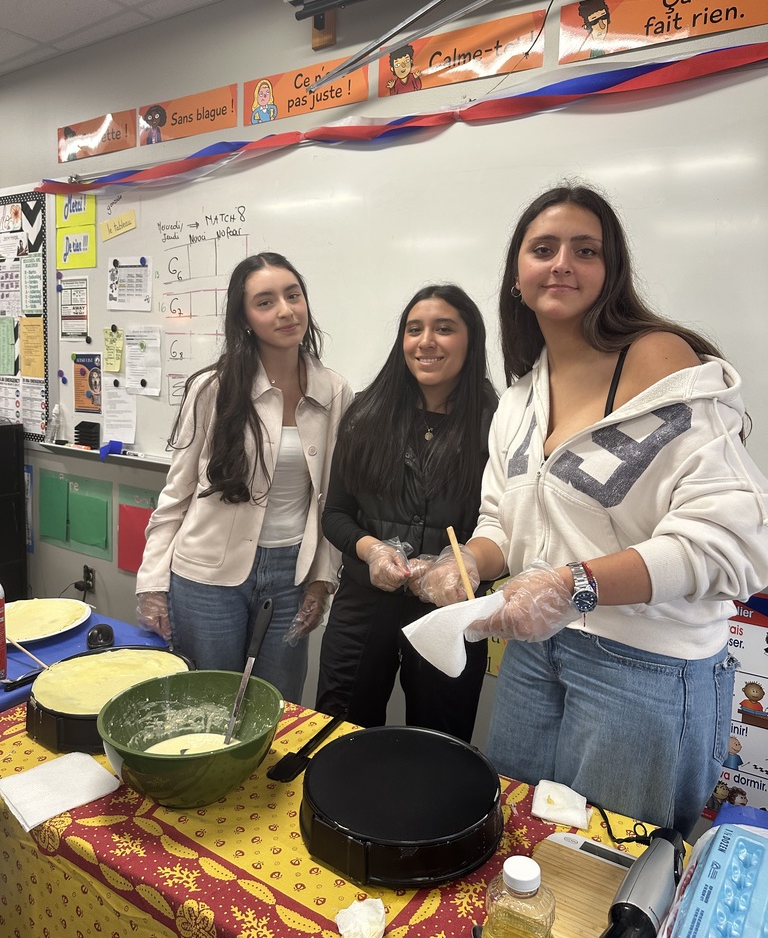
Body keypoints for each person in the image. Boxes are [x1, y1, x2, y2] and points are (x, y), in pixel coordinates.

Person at [418, 183, 768, 837]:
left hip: (646, 671)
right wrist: (469, 557)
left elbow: (735, 540)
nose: (561, 264)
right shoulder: (520, 399)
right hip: (531, 657)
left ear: (611, 275)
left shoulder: (658, 360)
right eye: (543, 249)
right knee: (519, 848)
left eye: (586, 250)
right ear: (517, 277)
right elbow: (502, 521)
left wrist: (574, 585)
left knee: (611, 872)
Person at [135, 252, 353, 704]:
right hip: (206, 575)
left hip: (291, 574)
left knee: (276, 703)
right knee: (209, 703)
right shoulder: (213, 388)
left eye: (293, 296)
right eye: (266, 301)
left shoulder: (335, 391)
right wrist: (153, 585)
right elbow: (175, 496)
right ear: (246, 317)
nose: (286, 310)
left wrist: (322, 579)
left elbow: (333, 499)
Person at [315, 284, 498, 742]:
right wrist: (373, 551)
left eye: (444, 329)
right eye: (414, 330)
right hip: (362, 607)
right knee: (340, 734)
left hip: (450, 615)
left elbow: (509, 529)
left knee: (439, 744)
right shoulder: (366, 414)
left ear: (471, 341)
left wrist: (456, 569)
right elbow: (335, 514)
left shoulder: (499, 423)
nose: (426, 341)